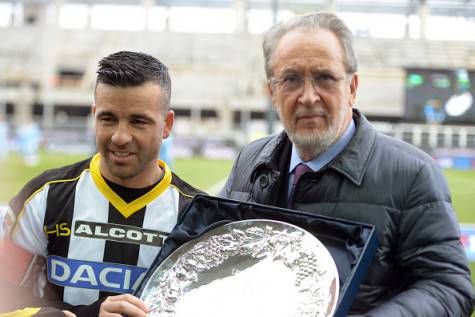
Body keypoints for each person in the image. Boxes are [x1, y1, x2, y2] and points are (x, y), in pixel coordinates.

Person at [219, 12, 475, 316]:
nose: (308, 96)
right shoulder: (250, 160)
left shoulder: (412, 174)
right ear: (272, 93)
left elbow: (448, 287)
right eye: (291, 79)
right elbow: (216, 256)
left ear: (352, 87)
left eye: (325, 77)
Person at [1, 51, 203, 316]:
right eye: (108, 118)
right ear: (94, 114)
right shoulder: (44, 197)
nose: (120, 137)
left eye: (138, 121)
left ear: (166, 125)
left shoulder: (196, 216)